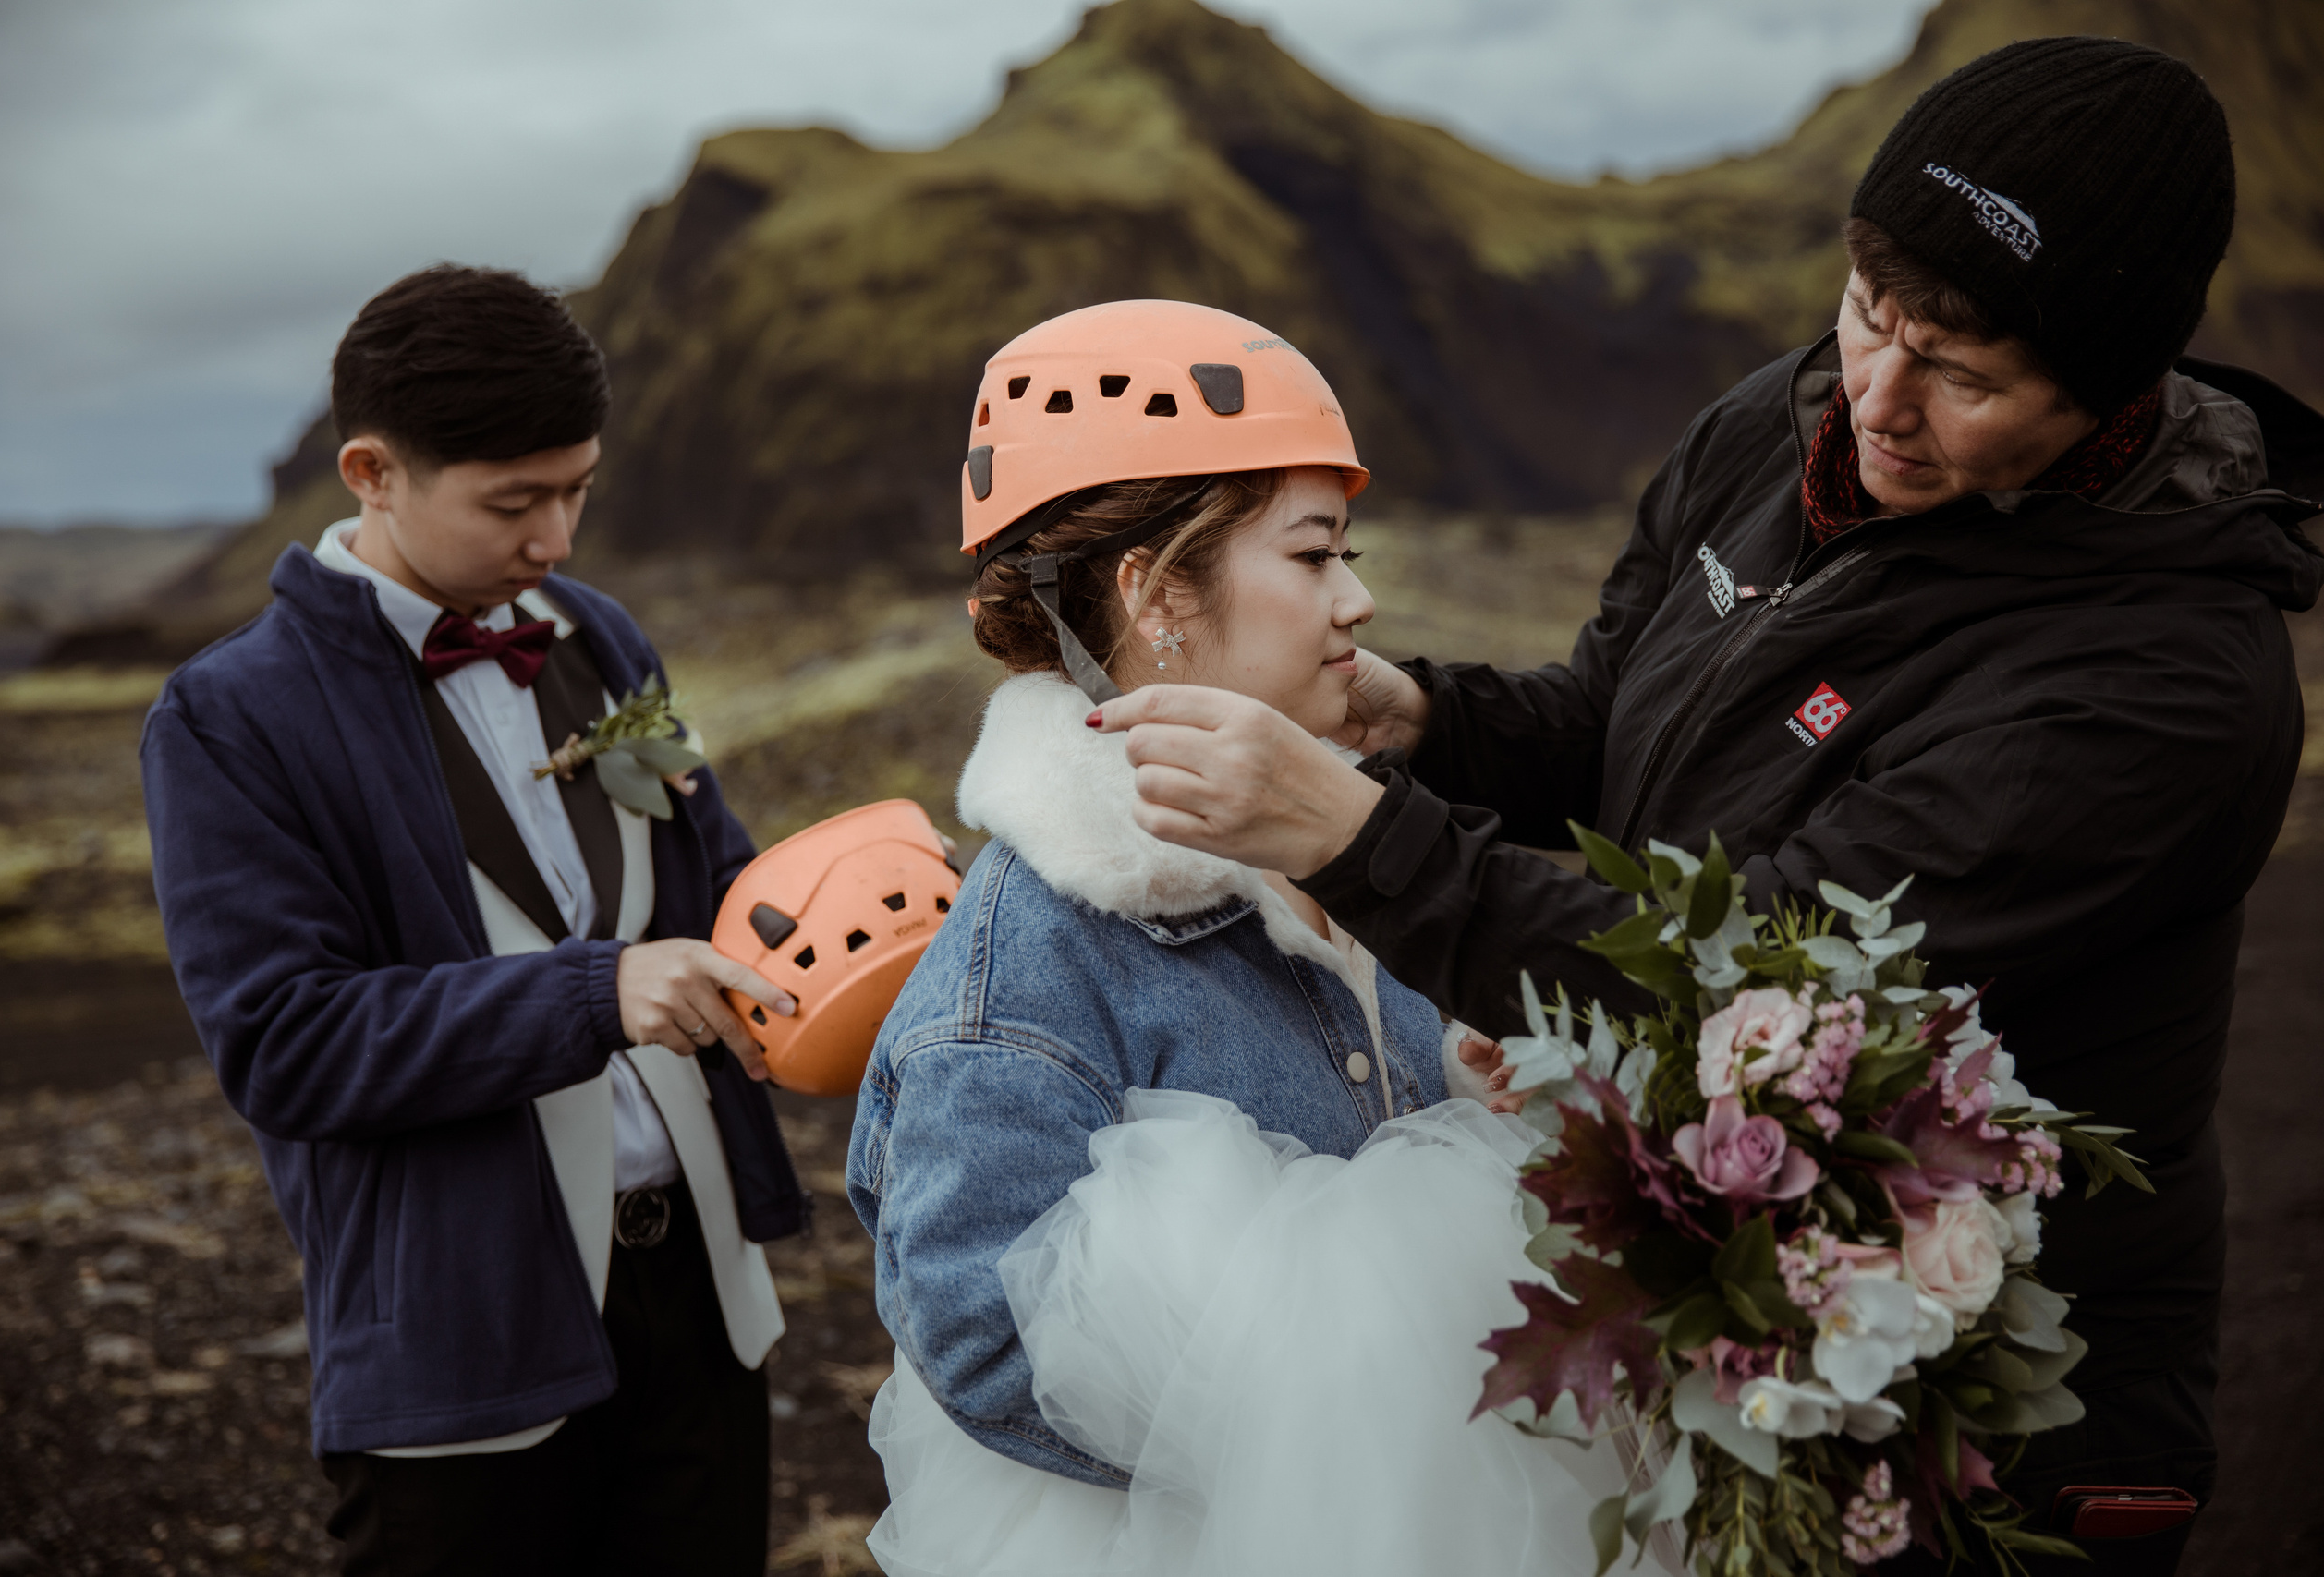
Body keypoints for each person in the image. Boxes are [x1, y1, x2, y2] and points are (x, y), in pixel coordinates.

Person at [1091, 40, 2324, 1574]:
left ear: (2110, 390)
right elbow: (1618, 720)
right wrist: (1434, 718)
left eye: (1965, 374)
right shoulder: (1779, 425)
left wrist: (1358, 836)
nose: (1881, 399)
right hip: (1722, 1289)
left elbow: (1766, 966)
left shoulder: (2161, 685)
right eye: (1873, 311)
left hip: (1976, 1394)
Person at [846, 300, 1640, 1576]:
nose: (1362, 601)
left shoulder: (1364, 838)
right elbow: (981, 1333)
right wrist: (1342, 1446)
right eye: (1317, 555)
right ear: (1158, 593)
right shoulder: (1033, 945)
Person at [140, 264, 809, 1576]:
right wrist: (594, 993)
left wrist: (858, 920)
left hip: (701, 1307)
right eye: (516, 502)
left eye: (578, 491)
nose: (557, 541)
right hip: (461, 1336)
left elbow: (710, 880)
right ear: (371, 472)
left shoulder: (597, 636)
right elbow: (283, 1043)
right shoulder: (226, 716)